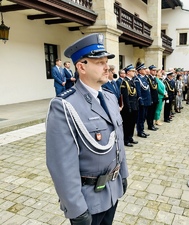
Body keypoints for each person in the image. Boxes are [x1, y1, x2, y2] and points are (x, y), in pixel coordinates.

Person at [46, 33, 129, 225]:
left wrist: (123, 175)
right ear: (81, 67)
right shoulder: (64, 106)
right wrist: (76, 209)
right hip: (88, 200)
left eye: (106, 61)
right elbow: (62, 165)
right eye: (99, 62)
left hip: (112, 191)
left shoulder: (108, 97)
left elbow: (119, 142)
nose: (106, 66)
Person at [120, 64, 139, 147]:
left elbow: (135, 94)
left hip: (134, 105)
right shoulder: (125, 82)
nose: (134, 72)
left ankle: (130, 137)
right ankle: (126, 140)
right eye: (132, 71)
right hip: (128, 107)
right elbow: (125, 97)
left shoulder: (131, 81)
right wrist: (128, 107)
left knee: (132, 123)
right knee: (127, 124)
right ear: (128, 72)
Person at [134, 63, 151, 138]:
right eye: (143, 69)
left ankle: (142, 130)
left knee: (144, 117)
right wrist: (140, 100)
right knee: (140, 117)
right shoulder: (137, 79)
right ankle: (139, 131)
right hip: (142, 101)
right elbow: (138, 91)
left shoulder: (145, 78)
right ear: (140, 71)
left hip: (147, 100)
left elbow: (148, 90)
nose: (145, 70)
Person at [146, 65, 159, 131]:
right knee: (150, 113)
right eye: (153, 70)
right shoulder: (148, 78)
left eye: (155, 70)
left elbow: (155, 89)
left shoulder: (154, 78)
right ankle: (150, 125)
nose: (155, 72)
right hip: (151, 98)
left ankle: (152, 124)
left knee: (153, 112)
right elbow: (149, 90)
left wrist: (157, 98)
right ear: (150, 71)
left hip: (155, 98)